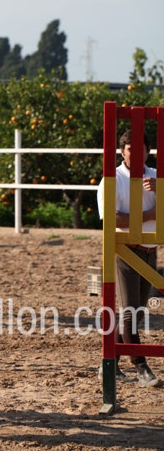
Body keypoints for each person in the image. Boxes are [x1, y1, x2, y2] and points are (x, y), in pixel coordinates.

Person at [96, 129, 162, 388]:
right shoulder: (111, 179)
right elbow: (113, 219)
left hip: (150, 251)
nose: (135, 154)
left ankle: (108, 364)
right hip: (124, 250)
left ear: (148, 151)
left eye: (140, 149)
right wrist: (149, 215)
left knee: (137, 312)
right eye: (130, 149)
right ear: (122, 152)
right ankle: (141, 366)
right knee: (130, 312)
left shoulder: (156, 176)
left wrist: (162, 190)